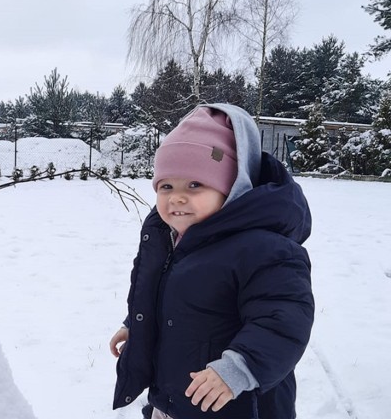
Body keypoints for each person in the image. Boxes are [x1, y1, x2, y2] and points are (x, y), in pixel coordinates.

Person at [110, 104, 314, 419]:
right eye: (166, 186)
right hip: (174, 400)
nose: (177, 197)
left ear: (231, 188)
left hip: (236, 403)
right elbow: (158, 291)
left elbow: (283, 320)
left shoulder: (264, 249)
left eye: (195, 185)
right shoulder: (166, 237)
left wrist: (239, 368)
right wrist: (135, 325)